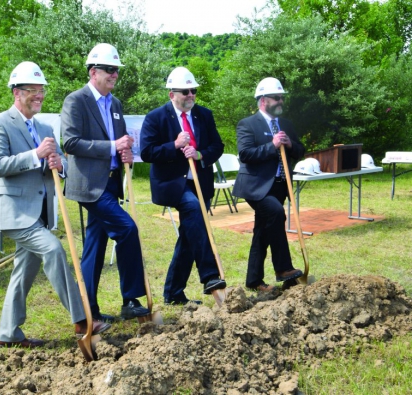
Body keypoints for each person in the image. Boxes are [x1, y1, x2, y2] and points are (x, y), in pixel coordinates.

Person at [0, 61, 110, 348]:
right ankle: (82, 318)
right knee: (53, 249)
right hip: (14, 212)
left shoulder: (44, 126)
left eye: (41, 90)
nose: (39, 95)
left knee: (23, 270)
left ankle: (8, 332)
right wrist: (35, 155)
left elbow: (57, 163)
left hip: (38, 212)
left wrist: (58, 164)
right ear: (16, 92)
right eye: (32, 90)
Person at [60, 43, 150, 322]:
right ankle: (131, 299)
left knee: (94, 247)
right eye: (109, 70)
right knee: (127, 229)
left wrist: (125, 152)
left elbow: (119, 143)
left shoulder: (117, 104)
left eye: (116, 70)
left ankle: (88, 310)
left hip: (111, 182)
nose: (114, 75)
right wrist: (113, 146)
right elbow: (70, 142)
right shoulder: (76, 100)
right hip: (90, 186)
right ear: (92, 71)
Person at [140, 67, 227, 305]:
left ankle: (173, 293)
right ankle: (210, 275)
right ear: (172, 95)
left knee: (190, 235)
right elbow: (147, 152)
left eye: (193, 91)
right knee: (193, 211)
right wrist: (175, 145)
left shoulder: (204, 115)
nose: (190, 95)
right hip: (172, 184)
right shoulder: (156, 117)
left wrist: (199, 155)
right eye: (185, 91)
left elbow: (217, 146)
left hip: (201, 181)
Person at [232, 77, 305, 292]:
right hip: (256, 186)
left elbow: (301, 151)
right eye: (276, 97)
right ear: (263, 100)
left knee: (263, 231)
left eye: (282, 97)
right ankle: (283, 269)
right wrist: (272, 146)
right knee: (275, 213)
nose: (281, 101)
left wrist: (290, 144)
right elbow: (245, 154)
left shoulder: (286, 125)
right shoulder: (247, 124)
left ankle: (254, 281)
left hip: (281, 185)